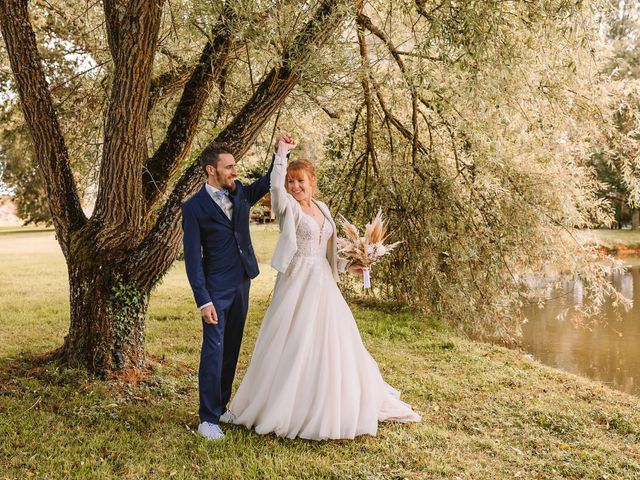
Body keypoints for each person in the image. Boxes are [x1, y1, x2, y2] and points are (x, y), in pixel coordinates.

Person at [227, 134, 421, 440]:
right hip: (296, 283)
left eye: (300, 181)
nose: (295, 186)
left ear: (312, 181)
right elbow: (275, 188)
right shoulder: (287, 206)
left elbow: (326, 250)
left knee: (333, 342)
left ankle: (331, 400)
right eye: (291, 181)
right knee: (295, 340)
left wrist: (349, 265)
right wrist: (281, 154)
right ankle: (287, 404)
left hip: (324, 284)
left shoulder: (322, 207)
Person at [181, 138, 287, 441]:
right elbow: (193, 261)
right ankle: (207, 418)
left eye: (235, 167)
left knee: (231, 347)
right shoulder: (193, 208)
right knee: (213, 350)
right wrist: (204, 301)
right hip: (215, 290)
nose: (235, 172)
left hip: (242, 283)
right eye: (229, 167)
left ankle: (222, 405)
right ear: (211, 170)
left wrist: (281, 152)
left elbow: (269, 181)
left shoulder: (240, 193)